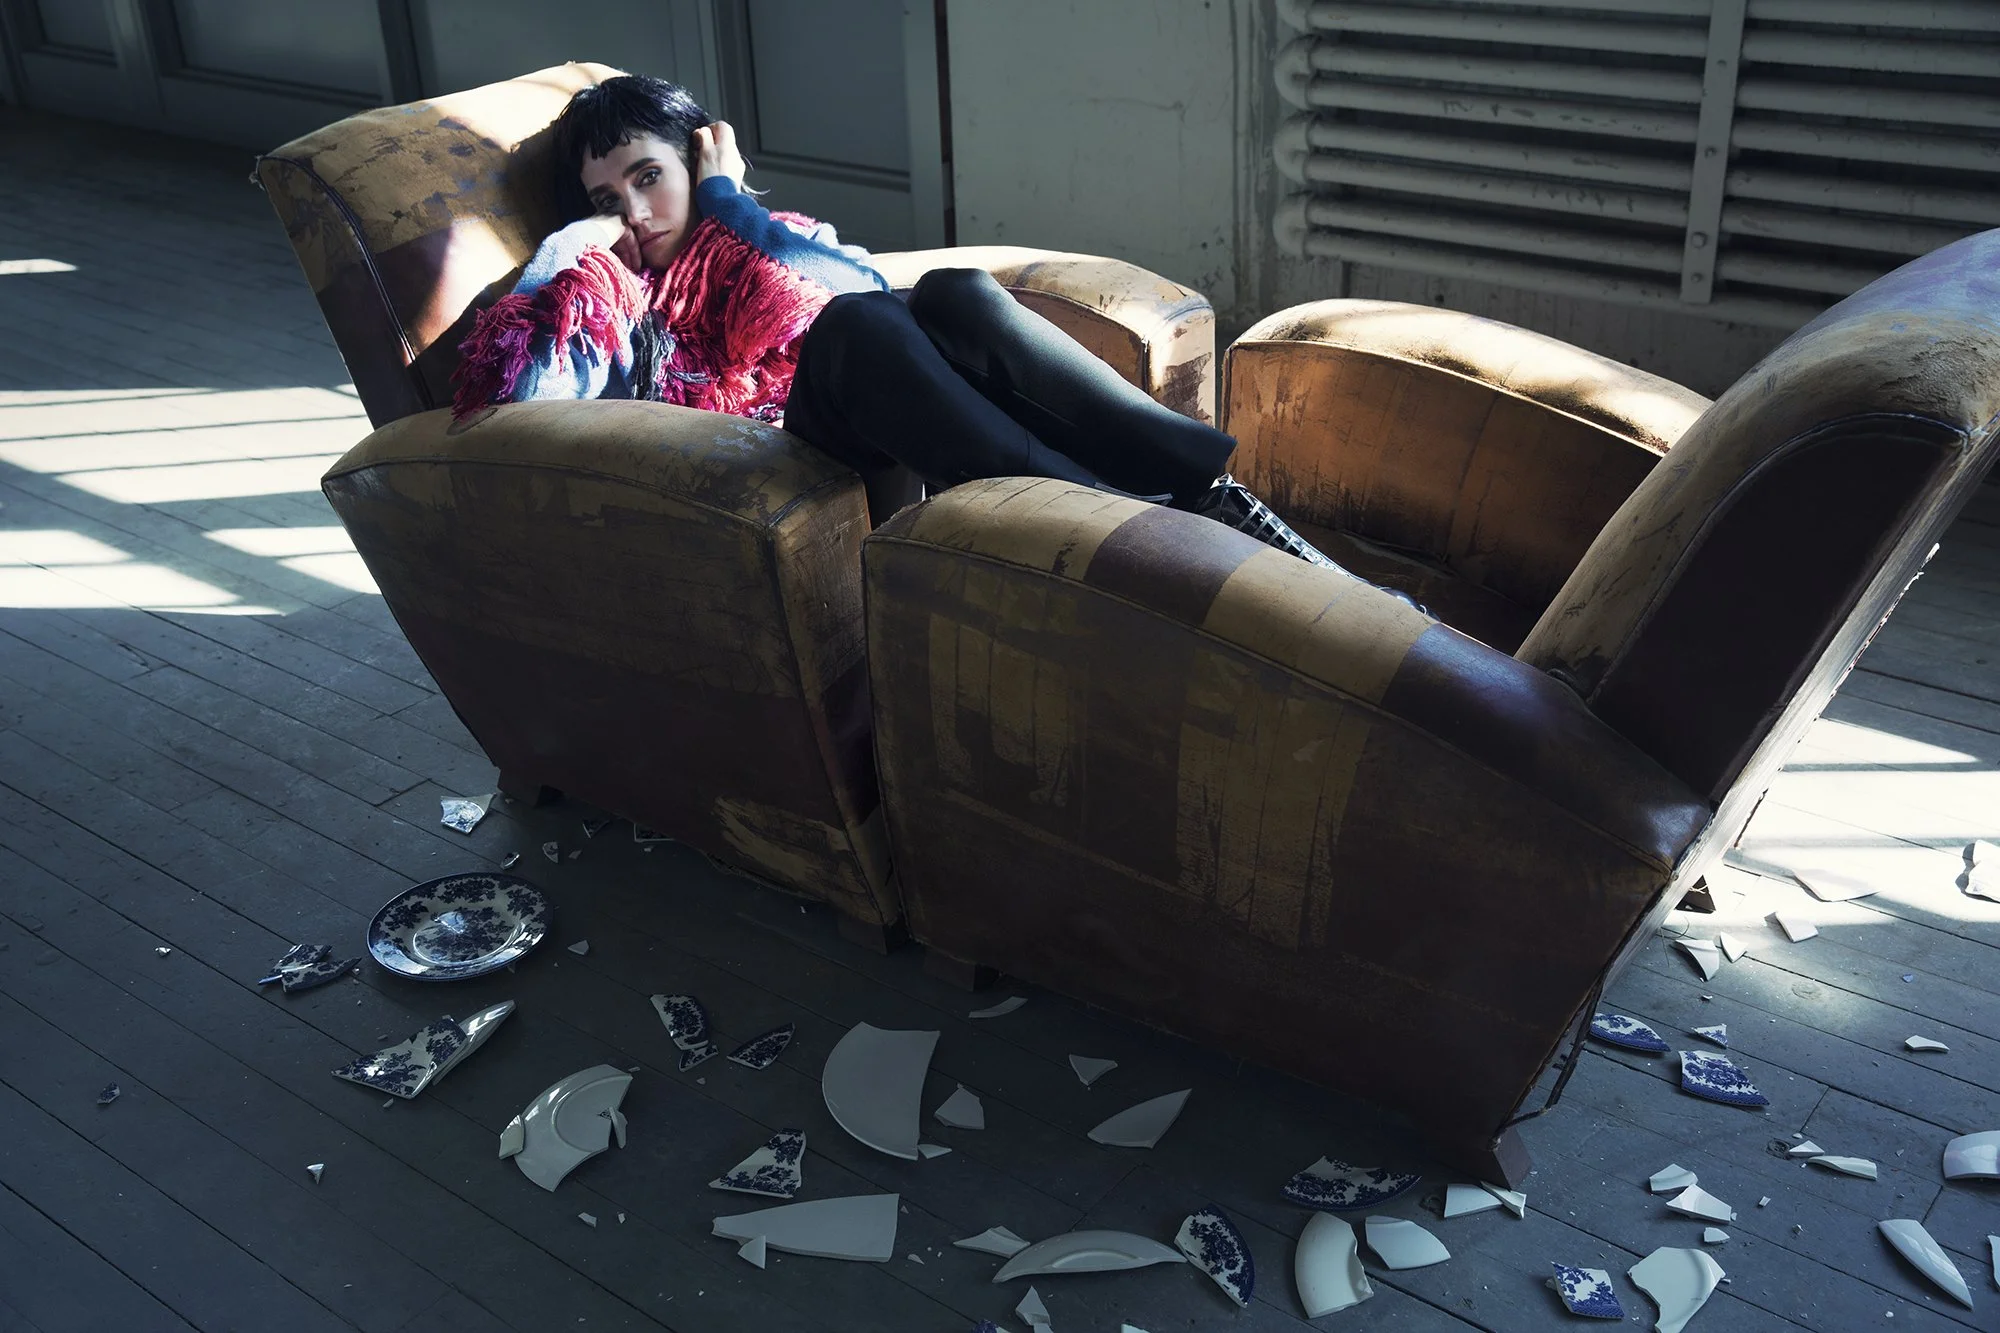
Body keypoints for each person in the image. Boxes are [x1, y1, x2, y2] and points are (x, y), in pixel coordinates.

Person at [453, 74, 1352, 570]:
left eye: (649, 176)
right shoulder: (609, 300)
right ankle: (1132, 534)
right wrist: (574, 249)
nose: (636, 211)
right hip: (763, 463)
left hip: (888, 427)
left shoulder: (768, 234)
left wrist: (729, 204)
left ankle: (1211, 498)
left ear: (699, 159)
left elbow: (861, 285)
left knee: (953, 292)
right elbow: (516, 398)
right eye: (607, 198)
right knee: (855, 330)